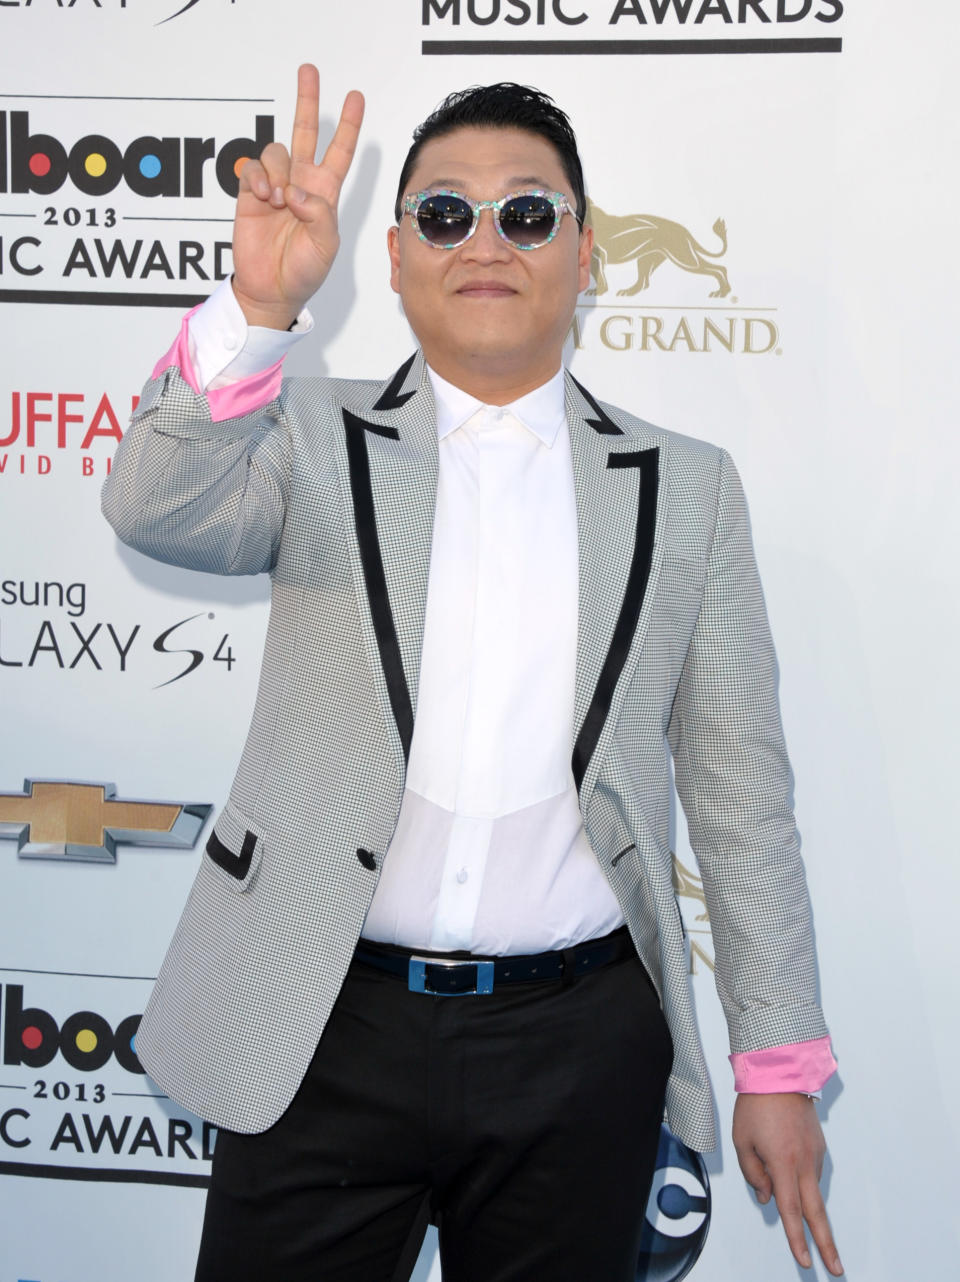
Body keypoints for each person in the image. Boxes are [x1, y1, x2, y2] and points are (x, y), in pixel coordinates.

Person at [102, 65, 842, 1282]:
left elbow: (741, 799)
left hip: (579, 1043)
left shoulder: (688, 489)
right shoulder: (304, 436)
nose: (485, 240)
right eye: (445, 214)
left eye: (529, 213)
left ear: (588, 253)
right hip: (315, 1019)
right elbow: (152, 504)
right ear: (392, 258)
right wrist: (255, 307)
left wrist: (775, 1064)